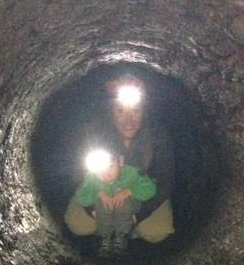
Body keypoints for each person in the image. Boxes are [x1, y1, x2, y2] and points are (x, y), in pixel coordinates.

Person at [65, 74, 175, 247]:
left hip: (141, 192)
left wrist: (139, 215)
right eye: (120, 111)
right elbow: (78, 172)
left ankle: (128, 231)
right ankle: (107, 229)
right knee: (78, 224)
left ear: (144, 111)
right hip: (101, 188)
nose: (128, 121)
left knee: (157, 231)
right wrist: (91, 209)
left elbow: (166, 180)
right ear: (111, 110)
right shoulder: (96, 130)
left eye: (136, 110)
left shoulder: (157, 135)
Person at [75, 149, 157, 255]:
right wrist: (98, 193)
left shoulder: (133, 172)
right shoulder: (92, 177)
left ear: (120, 161)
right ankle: (106, 238)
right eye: (100, 171)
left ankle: (121, 236)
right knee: (102, 205)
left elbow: (150, 189)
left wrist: (129, 191)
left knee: (123, 205)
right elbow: (82, 198)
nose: (106, 175)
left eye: (110, 167)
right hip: (105, 210)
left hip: (127, 207)